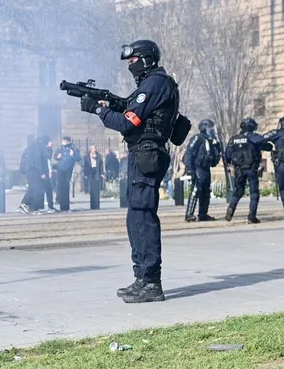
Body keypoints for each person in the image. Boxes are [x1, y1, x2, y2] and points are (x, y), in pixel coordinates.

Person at [80, 39, 182, 304]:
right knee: (135, 217)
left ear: (146, 60)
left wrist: (99, 109)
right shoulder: (154, 84)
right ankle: (142, 278)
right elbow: (131, 109)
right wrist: (110, 103)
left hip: (147, 155)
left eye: (133, 60)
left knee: (143, 216)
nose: (130, 66)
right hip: (142, 154)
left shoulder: (156, 84)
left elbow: (128, 122)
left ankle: (151, 282)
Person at [225, 118, 272, 223]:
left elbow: (227, 155)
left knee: (238, 191)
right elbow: (265, 144)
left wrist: (230, 165)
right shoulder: (253, 137)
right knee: (254, 192)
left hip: (238, 170)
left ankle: (232, 206)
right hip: (251, 169)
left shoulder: (233, 139)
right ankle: (252, 216)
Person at [184, 119, 221, 222]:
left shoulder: (211, 141)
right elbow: (189, 153)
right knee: (196, 190)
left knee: (205, 192)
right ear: (204, 128)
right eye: (210, 128)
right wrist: (190, 169)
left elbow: (214, 161)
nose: (212, 130)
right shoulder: (198, 138)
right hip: (197, 167)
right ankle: (189, 214)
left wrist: (218, 149)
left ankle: (203, 214)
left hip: (206, 168)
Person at [18, 136, 51, 214]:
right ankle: (32, 208)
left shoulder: (31, 146)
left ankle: (25, 206)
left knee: (33, 188)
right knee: (37, 189)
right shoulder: (39, 147)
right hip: (34, 170)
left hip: (29, 170)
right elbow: (38, 160)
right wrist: (41, 172)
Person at [53, 137, 80, 212]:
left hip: (68, 169)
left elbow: (78, 158)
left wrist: (72, 155)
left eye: (64, 141)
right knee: (59, 184)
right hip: (60, 169)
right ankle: (59, 199)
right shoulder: (60, 148)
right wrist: (57, 157)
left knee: (66, 184)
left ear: (68, 142)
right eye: (63, 141)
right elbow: (55, 156)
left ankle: (66, 201)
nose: (63, 142)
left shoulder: (73, 148)